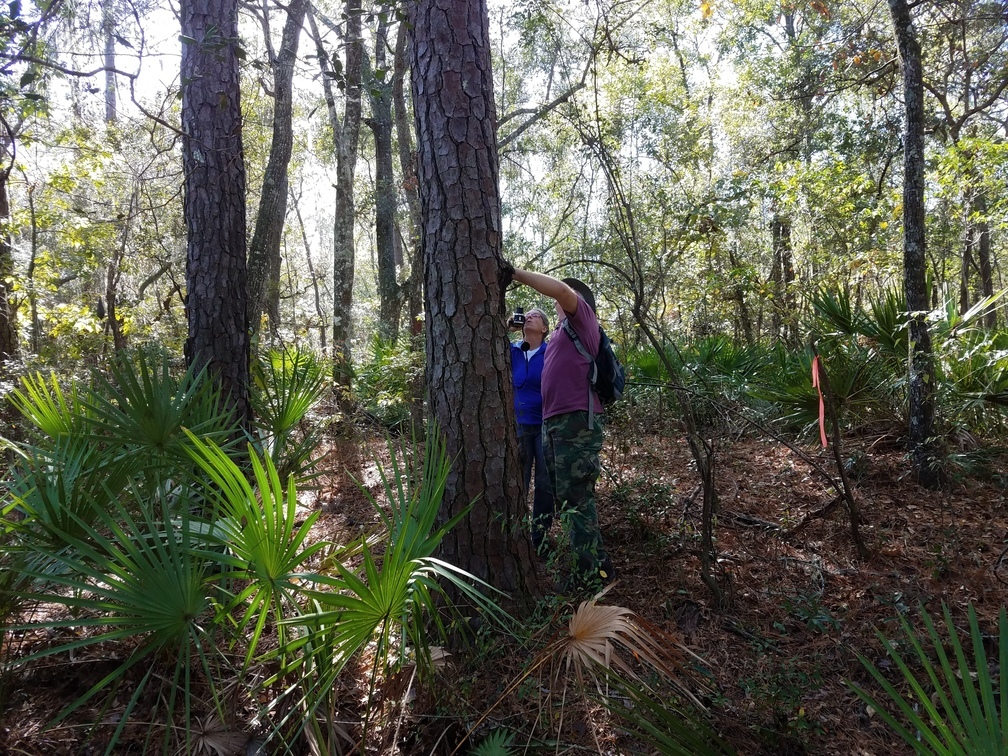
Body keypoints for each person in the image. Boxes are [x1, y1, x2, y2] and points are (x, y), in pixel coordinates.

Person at [509, 268, 614, 591]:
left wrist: (514, 273)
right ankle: (591, 562)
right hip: (552, 424)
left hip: (575, 423)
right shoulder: (559, 335)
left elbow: (563, 293)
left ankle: (592, 574)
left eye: (566, 296)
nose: (559, 300)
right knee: (566, 498)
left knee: (576, 497)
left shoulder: (583, 320)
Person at [509, 307, 555, 553]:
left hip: (544, 425)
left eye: (535, 316)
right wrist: (508, 328)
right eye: (526, 315)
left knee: (545, 482)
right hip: (518, 424)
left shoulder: (550, 353)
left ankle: (540, 536)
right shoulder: (511, 350)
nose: (529, 316)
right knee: (519, 480)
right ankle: (516, 534)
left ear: (544, 328)